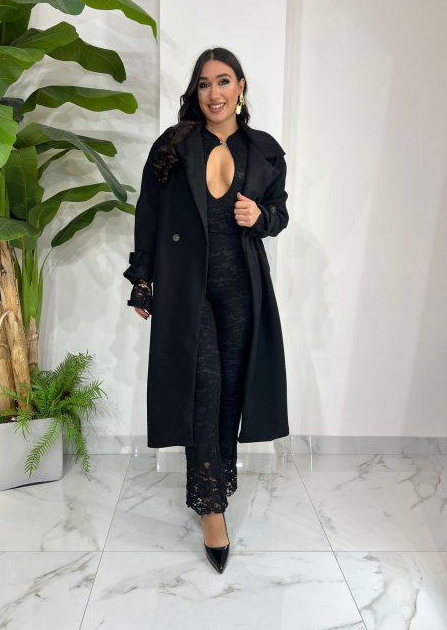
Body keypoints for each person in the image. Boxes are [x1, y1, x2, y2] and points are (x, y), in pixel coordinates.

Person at [123, 47, 289, 574]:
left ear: (240, 87)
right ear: (194, 92)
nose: (213, 93)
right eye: (203, 83)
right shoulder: (173, 145)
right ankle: (211, 505)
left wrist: (260, 216)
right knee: (204, 386)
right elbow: (148, 213)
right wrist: (143, 279)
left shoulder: (264, 150)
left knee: (232, 389)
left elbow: (280, 213)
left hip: (241, 285)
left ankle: (218, 475)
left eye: (222, 81)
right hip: (184, 286)